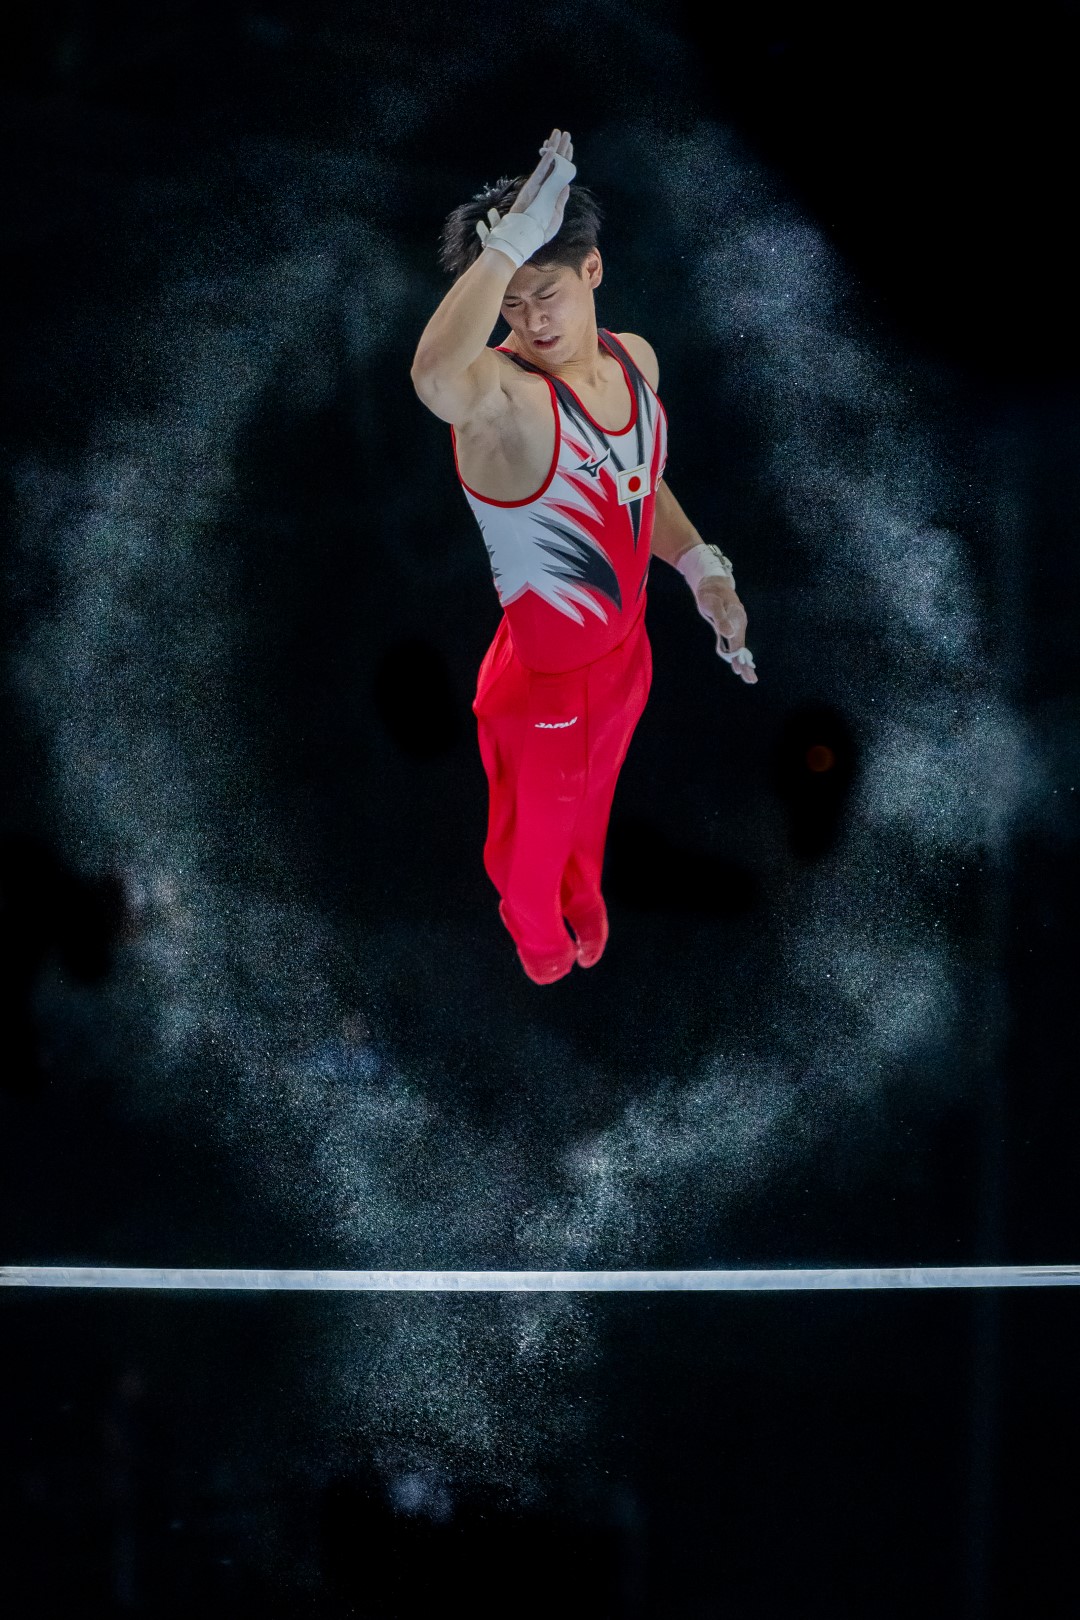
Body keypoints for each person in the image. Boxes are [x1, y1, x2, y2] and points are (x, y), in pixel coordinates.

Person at [410, 129, 757, 985]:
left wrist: (702, 567)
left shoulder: (634, 360)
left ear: (592, 271)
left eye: (547, 294)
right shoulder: (503, 402)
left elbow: (640, 490)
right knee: (532, 855)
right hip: (547, 687)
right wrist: (507, 248)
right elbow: (432, 379)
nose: (531, 320)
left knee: (593, 804)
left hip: (627, 655)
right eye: (513, 302)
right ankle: (535, 940)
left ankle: (582, 887)